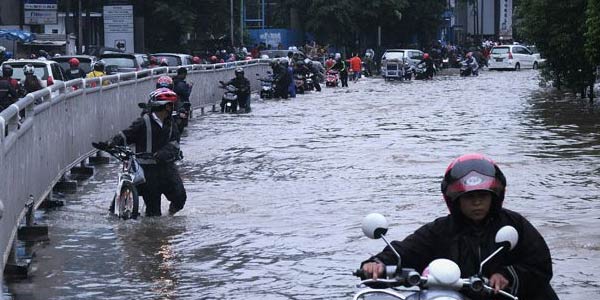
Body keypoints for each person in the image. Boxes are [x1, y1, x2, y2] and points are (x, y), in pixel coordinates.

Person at [360, 154, 559, 300]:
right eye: (469, 197)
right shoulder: (440, 231)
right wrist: (377, 264)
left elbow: (540, 266)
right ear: (455, 200)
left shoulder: (514, 226)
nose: (477, 203)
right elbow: (407, 251)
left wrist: (507, 275)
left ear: (494, 197)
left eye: (482, 196)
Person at [95, 88, 186, 217]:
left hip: (167, 168)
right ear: (165, 107)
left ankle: (170, 217)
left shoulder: (171, 124)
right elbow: (127, 135)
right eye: (170, 105)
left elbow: (174, 144)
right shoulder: (143, 122)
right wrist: (111, 143)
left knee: (180, 197)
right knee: (153, 211)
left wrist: (162, 153)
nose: (173, 107)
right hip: (147, 170)